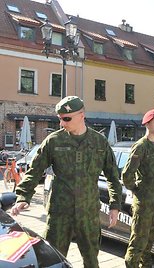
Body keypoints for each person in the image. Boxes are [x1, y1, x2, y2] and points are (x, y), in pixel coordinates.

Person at [11, 96, 122, 268]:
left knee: (91, 260)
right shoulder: (54, 141)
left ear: (81, 115)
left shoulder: (99, 142)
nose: (62, 123)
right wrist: (23, 197)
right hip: (59, 213)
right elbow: (34, 171)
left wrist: (115, 206)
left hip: (88, 213)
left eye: (66, 118)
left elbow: (113, 176)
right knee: (52, 258)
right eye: (60, 119)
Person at [123, 108, 154, 267]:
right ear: (147, 124)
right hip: (144, 205)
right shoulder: (141, 146)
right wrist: (138, 190)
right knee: (138, 243)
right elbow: (127, 175)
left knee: (149, 242)